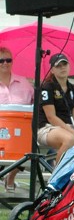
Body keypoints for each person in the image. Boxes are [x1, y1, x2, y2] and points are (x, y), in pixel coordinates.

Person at [37, 53, 74, 164]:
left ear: (69, 66)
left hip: (66, 128)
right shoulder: (47, 87)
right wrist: (73, 133)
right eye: (58, 65)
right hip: (46, 128)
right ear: (52, 70)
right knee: (70, 139)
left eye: (65, 64)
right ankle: (56, 177)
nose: (62, 67)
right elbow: (51, 117)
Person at [0, 47, 34, 192]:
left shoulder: (24, 82)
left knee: (26, 149)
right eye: (1, 60)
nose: (5, 63)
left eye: (8, 60)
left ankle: (11, 178)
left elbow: (35, 101)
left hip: (20, 130)